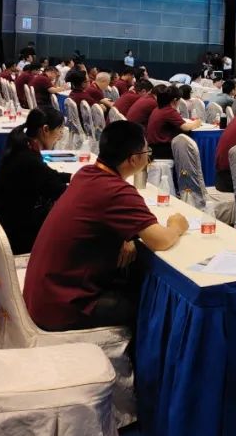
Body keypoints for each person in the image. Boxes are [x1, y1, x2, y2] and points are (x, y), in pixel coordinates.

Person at [23, 121, 189, 331]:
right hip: (64, 307)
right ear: (133, 159)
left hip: (42, 294)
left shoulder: (86, 174)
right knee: (156, 305)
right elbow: (161, 240)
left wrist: (127, 237)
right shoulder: (117, 191)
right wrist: (176, 226)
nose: (148, 157)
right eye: (146, 152)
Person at [0, 106, 71, 254]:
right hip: (13, 236)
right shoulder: (29, 159)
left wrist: (70, 177)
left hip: (2, 223)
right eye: (59, 131)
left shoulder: (21, 145)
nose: (60, 136)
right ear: (45, 129)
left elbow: (47, 175)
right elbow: (57, 189)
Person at [146, 85, 201, 160]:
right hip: (162, 149)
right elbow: (185, 127)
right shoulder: (169, 111)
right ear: (175, 100)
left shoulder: (158, 108)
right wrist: (197, 122)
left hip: (153, 147)